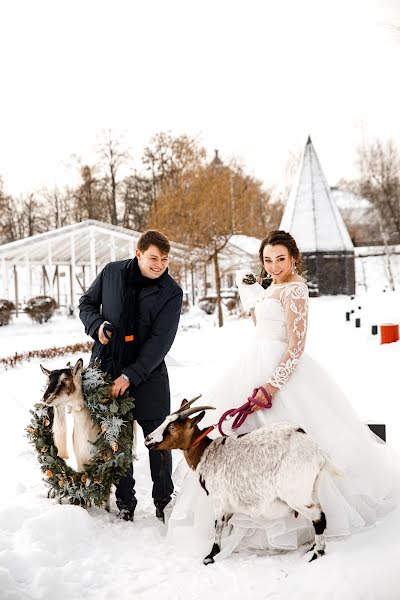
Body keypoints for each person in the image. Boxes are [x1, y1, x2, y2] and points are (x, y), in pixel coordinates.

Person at [166, 230, 400, 559]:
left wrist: (272, 386)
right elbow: (263, 330)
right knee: (242, 448)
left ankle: (299, 518)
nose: (275, 266)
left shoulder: (296, 289)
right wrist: (253, 295)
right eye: (268, 260)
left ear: (293, 258)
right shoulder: (273, 287)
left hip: (282, 376)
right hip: (252, 366)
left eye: (280, 259)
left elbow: (296, 346)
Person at [79, 229, 183, 522]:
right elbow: (86, 303)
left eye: (164, 259)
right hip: (108, 371)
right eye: (153, 258)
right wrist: (97, 325)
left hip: (148, 374)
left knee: (158, 442)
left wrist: (131, 375)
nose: (159, 264)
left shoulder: (171, 292)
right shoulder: (111, 273)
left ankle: (164, 499)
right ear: (138, 253)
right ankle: (126, 502)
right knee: (118, 441)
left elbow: (161, 341)